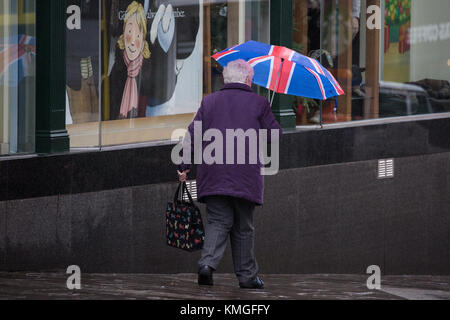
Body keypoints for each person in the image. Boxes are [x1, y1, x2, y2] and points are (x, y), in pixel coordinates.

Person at [177, 59, 282, 289]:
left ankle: (206, 265)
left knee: (218, 221)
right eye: (251, 79)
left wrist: (184, 164)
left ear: (226, 79)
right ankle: (247, 277)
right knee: (243, 226)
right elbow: (275, 135)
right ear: (247, 80)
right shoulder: (259, 103)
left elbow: (191, 135)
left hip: (213, 174)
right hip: (245, 176)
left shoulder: (209, 102)